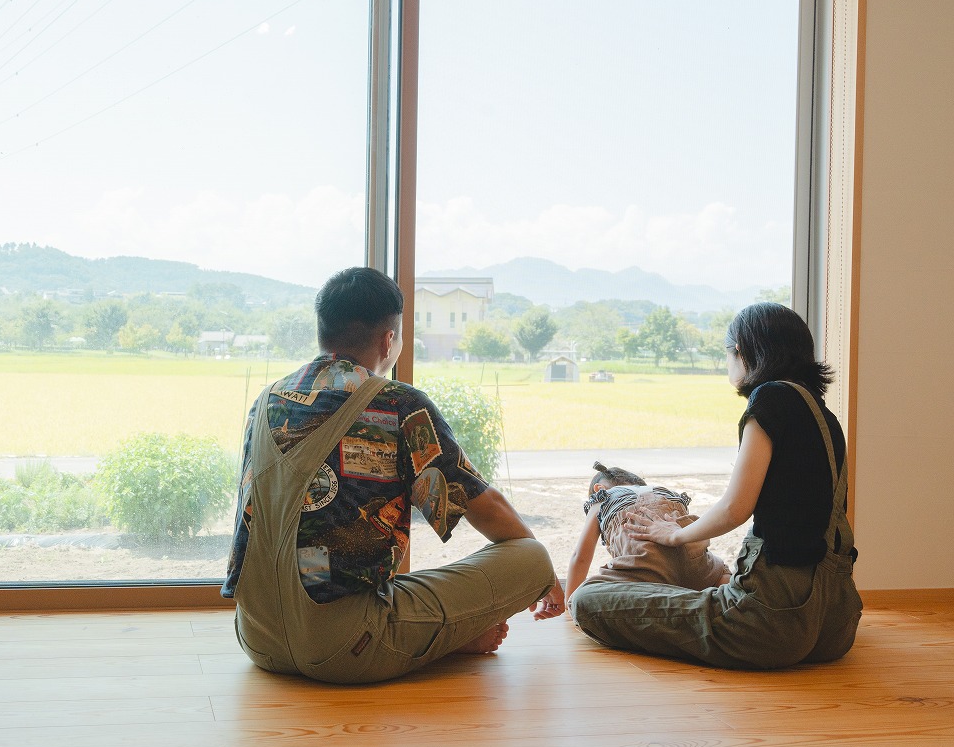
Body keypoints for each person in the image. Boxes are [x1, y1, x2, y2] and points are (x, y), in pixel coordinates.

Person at [223, 267, 563, 684]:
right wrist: (540, 577)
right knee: (532, 558)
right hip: (347, 647)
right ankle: (451, 635)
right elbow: (478, 502)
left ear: (323, 330)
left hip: (259, 638)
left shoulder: (267, 400)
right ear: (389, 340)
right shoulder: (399, 404)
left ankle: (448, 636)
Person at [569, 302, 863, 669]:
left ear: (743, 351)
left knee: (587, 601)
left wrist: (673, 534)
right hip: (837, 625)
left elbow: (734, 508)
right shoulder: (825, 416)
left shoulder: (769, 399)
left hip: (772, 622)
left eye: (728, 352)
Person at [564, 462, 730, 605]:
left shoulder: (604, 497)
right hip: (696, 568)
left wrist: (569, 602)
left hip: (645, 570)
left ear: (599, 488)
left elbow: (580, 557)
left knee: (585, 595)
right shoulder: (666, 493)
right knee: (721, 573)